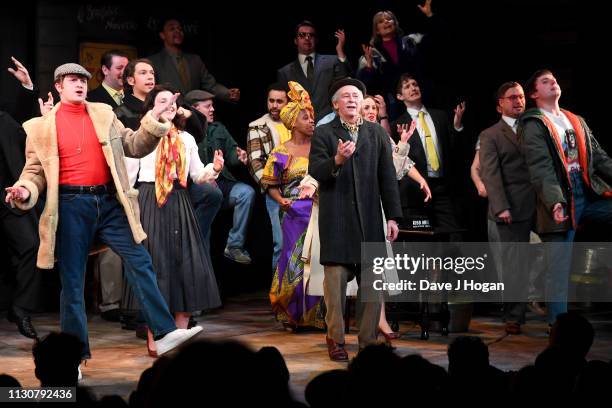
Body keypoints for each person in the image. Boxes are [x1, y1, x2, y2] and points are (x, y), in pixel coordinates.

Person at [5, 63, 203, 366]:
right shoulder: (40, 127)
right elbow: (34, 172)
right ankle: (74, 356)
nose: (80, 85)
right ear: (59, 86)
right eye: (72, 80)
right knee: (72, 283)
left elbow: (134, 146)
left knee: (140, 260)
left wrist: (155, 119)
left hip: (109, 202)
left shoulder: (104, 114)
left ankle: (163, 333)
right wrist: (24, 191)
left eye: (83, 80)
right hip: (71, 206)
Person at [309, 77, 402, 361]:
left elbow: (387, 177)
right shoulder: (324, 133)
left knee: (372, 285)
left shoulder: (375, 133)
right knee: (335, 284)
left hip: (370, 219)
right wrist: (336, 160)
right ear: (336, 104)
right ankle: (335, 339)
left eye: (355, 95)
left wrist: (393, 217)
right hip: (337, 219)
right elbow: (317, 171)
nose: (352, 99)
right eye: (345, 96)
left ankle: (368, 342)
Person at [126, 84, 222, 356]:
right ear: (151, 107)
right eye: (162, 101)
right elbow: (129, 176)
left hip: (179, 202)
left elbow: (196, 175)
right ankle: (156, 338)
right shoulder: (141, 137)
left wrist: (213, 169)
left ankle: (179, 335)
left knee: (185, 266)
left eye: (172, 102)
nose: (169, 106)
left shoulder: (186, 139)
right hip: (149, 200)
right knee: (156, 266)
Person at [519, 69, 612, 326]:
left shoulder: (575, 119)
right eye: (546, 82)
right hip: (560, 194)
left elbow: (600, 158)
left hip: (587, 189)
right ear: (534, 93)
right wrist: (555, 201)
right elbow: (540, 167)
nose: (553, 84)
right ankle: (557, 327)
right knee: (558, 267)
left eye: (555, 80)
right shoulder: (533, 123)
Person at [360, 94, 431, 341]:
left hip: (377, 208)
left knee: (378, 268)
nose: (370, 110)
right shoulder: (352, 134)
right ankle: (366, 323)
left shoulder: (380, 136)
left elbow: (397, 165)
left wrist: (421, 180)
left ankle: (380, 321)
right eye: (366, 106)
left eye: (374, 107)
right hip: (357, 209)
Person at [261, 81, 324, 329]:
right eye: (305, 118)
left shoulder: (320, 147)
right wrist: (281, 201)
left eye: (312, 117)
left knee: (318, 261)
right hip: (294, 213)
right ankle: (293, 314)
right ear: (293, 122)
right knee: (294, 260)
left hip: (320, 211)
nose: (311, 121)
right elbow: (270, 183)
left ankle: (318, 316)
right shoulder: (281, 151)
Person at [479, 81, 535, 335]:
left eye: (521, 97)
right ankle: (514, 315)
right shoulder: (491, 134)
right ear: (500, 103)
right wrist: (501, 206)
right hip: (511, 206)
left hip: (540, 203)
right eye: (512, 97)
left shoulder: (535, 128)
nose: (518, 101)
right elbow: (490, 173)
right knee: (514, 264)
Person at [391, 73, 465, 240]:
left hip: (443, 186)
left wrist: (457, 125)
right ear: (399, 96)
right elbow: (397, 161)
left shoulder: (440, 116)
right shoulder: (398, 124)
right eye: (407, 86)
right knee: (424, 241)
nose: (413, 88)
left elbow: (454, 149)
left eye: (415, 84)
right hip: (416, 190)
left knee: (453, 236)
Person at [187, 90, 255, 264]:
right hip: (198, 188)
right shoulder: (186, 133)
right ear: (194, 108)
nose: (212, 110)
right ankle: (202, 265)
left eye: (212, 106)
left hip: (222, 183)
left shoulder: (218, 128)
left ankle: (234, 245)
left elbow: (231, 154)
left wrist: (239, 157)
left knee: (246, 193)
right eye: (207, 106)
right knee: (204, 231)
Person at [356, 1, 438, 119]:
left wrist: (430, 16)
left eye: (389, 19)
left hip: (422, 97)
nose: (386, 22)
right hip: (395, 109)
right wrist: (369, 67)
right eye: (381, 21)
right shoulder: (372, 54)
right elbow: (364, 87)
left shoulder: (410, 42)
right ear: (377, 30)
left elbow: (437, 39)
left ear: (395, 23)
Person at [246, 83, 290, 271]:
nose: (274, 105)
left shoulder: (297, 123)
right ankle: (279, 297)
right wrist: (273, 189)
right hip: (275, 191)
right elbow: (255, 164)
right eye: (271, 101)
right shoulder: (257, 127)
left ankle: (302, 296)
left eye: (280, 101)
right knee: (281, 243)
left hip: (301, 190)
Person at [148, 18, 240, 101]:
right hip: (169, 115)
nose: (177, 31)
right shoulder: (153, 62)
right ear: (162, 35)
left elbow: (210, 85)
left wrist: (228, 93)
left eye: (180, 29)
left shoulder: (195, 60)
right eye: (172, 29)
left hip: (195, 114)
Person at [277, 21, 351, 120]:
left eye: (311, 35)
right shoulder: (284, 72)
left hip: (330, 123)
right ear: (295, 40)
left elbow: (346, 81)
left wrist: (340, 52)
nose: (307, 38)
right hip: (299, 125)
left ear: (316, 40)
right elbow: (283, 103)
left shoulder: (332, 61)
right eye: (302, 35)